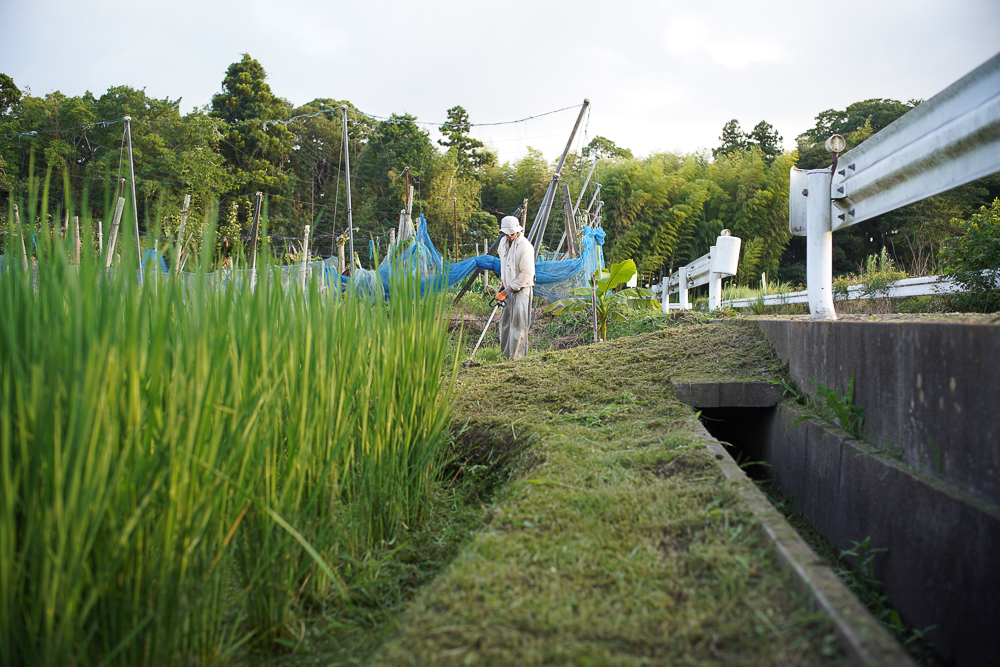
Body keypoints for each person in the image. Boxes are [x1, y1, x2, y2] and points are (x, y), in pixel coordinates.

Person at [496, 215, 535, 360]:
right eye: (507, 233)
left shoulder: (525, 247)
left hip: (522, 289)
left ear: (517, 231)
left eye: (511, 233)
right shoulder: (503, 243)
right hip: (507, 289)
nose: (510, 236)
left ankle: (518, 358)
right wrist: (502, 285)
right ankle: (506, 356)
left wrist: (506, 291)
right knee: (505, 323)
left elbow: (526, 274)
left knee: (519, 324)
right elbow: (504, 265)